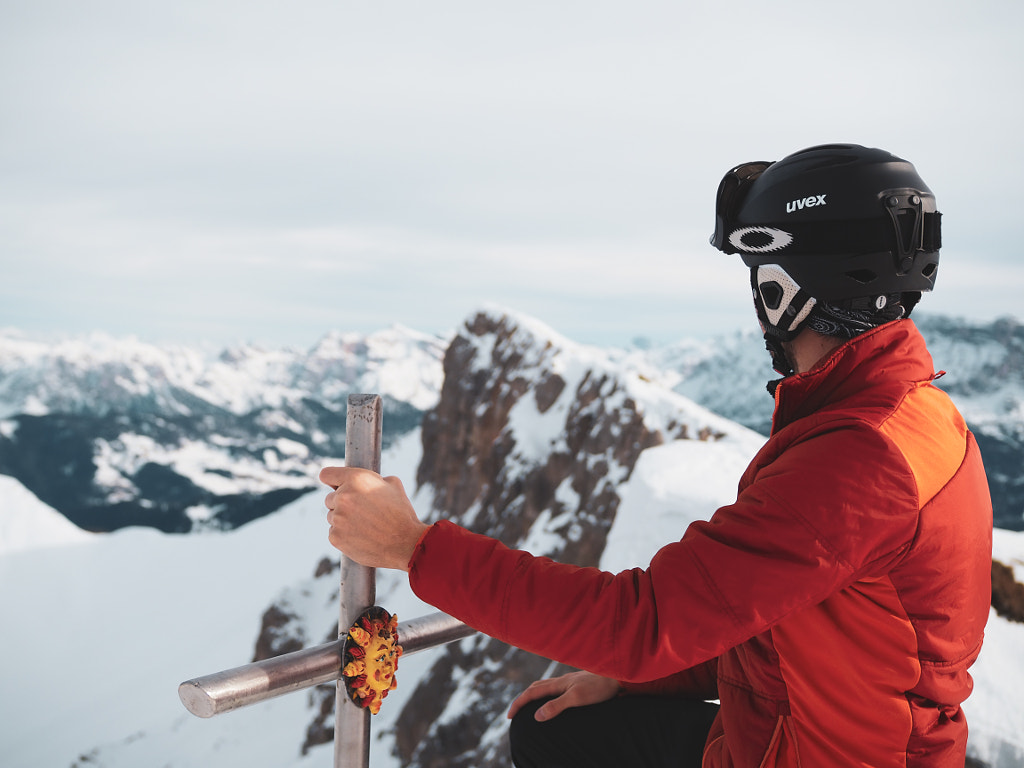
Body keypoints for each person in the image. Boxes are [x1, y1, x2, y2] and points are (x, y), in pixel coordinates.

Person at [321, 143, 993, 767]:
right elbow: (785, 620)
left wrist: (414, 547)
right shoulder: (910, 418)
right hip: (795, 733)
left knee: (559, 738)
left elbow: (641, 623)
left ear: (783, 289)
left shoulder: (857, 461)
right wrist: (633, 681)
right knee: (554, 727)